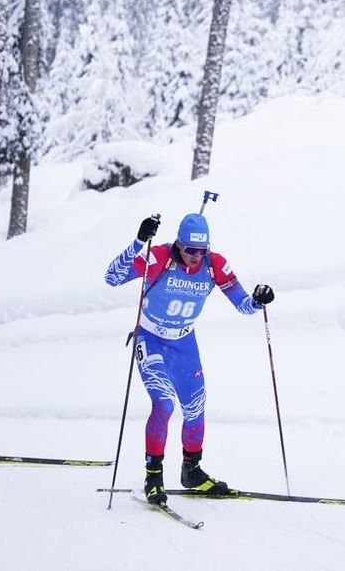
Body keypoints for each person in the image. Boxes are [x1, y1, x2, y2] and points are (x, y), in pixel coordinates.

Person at [105, 212, 275, 505]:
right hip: (151, 339)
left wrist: (258, 301)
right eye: (190, 250)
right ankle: (153, 476)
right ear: (178, 244)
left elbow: (243, 305)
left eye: (202, 250)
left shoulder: (214, 265)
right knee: (164, 403)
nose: (196, 257)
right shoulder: (158, 257)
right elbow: (112, 277)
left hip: (184, 343)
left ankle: (191, 471)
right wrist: (138, 241)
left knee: (195, 407)